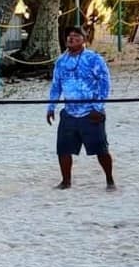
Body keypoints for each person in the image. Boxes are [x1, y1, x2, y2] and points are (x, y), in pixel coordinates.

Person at [46, 26, 115, 190]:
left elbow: (105, 84)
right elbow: (56, 86)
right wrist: (51, 107)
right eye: (69, 36)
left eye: (76, 36)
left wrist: (98, 108)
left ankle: (110, 180)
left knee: (101, 149)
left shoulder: (94, 59)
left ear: (84, 39)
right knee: (63, 149)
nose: (71, 39)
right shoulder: (61, 62)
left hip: (90, 112)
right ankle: (66, 181)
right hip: (69, 112)